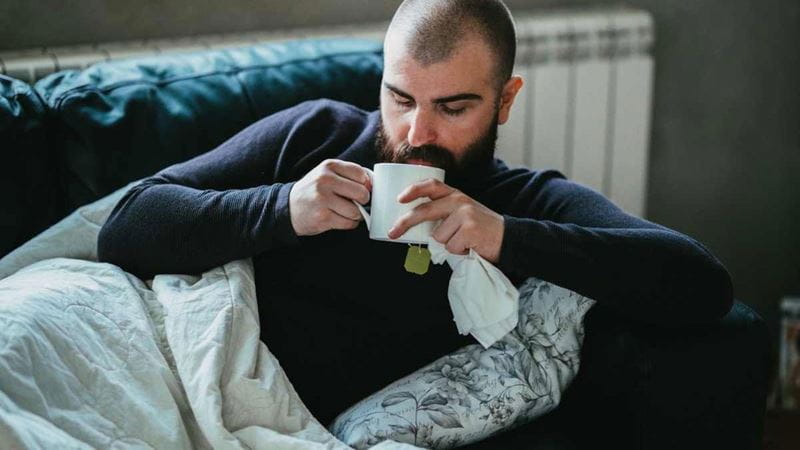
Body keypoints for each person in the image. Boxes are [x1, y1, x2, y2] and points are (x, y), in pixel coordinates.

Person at [97, 0, 733, 430]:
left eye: (453, 108)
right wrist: (283, 207)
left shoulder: (525, 203)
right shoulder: (318, 134)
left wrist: (505, 237)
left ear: (505, 101)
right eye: (400, 98)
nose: (414, 134)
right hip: (179, 379)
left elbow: (701, 285)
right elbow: (126, 224)